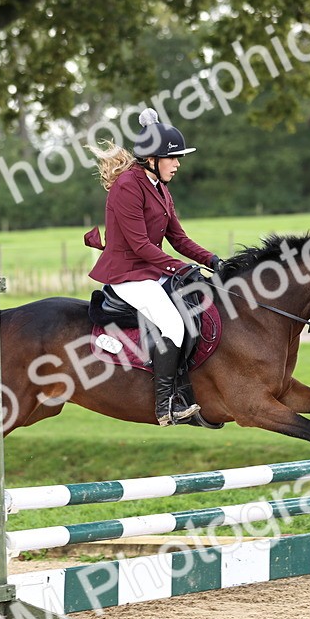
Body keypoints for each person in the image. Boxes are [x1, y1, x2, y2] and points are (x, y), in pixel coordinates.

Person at [86, 108, 224, 426]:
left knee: (197, 307)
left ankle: (190, 388)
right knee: (173, 325)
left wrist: (211, 260)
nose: (177, 164)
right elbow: (140, 246)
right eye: (172, 158)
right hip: (127, 275)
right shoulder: (127, 187)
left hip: (150, 271)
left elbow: (178, 238)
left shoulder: (159, 187)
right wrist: (180, 269)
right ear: (152, 159)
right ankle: (165, 405)